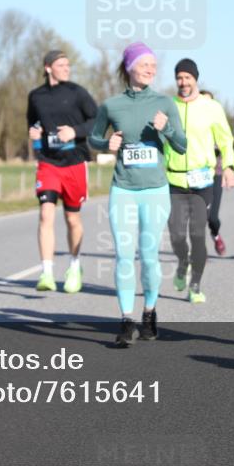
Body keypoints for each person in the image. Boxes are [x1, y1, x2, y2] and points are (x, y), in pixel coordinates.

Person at [89, 42, 186, 347]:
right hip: (123, 189)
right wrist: (107, 146)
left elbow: (182, 145)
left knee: (149, 255)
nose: (150, 69)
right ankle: (126, 320)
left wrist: (167, 128)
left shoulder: (165, 103)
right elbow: (93, 137)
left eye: (154, 66)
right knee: (123, 256)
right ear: (130, 66)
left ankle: (149, 312)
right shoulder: (111, 105)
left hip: (155, 191)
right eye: (145, 64)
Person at [164, 60, 234, 303]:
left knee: (197, 234)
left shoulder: (211, 107)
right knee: (176, 235)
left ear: (196, 78)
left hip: (202, 180)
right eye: (179, 78)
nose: (183, 82)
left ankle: (195, 285)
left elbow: (225, 140)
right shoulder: (167, 106)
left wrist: (228, 166)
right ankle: (182, 263)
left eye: (188, 77)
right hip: (173, 178)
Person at [26, 50, 98, 293]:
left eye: (68, 64)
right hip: (48, 163)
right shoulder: (36, 96)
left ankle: (75, 266)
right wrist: (35, 137)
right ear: (48, 68)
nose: (67, 68)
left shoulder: (77, 93)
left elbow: (97, 121)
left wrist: (75, 132)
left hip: (75, 161)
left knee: (72, 218)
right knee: (46, 214)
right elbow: (33, 124)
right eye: (61, 64)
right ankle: (46, 273)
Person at [200, 90, 228, 256]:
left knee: (212, 218)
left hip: (214, 174)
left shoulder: (217, 123)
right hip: (194, 175)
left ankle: (216, 235)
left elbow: (226, 145)